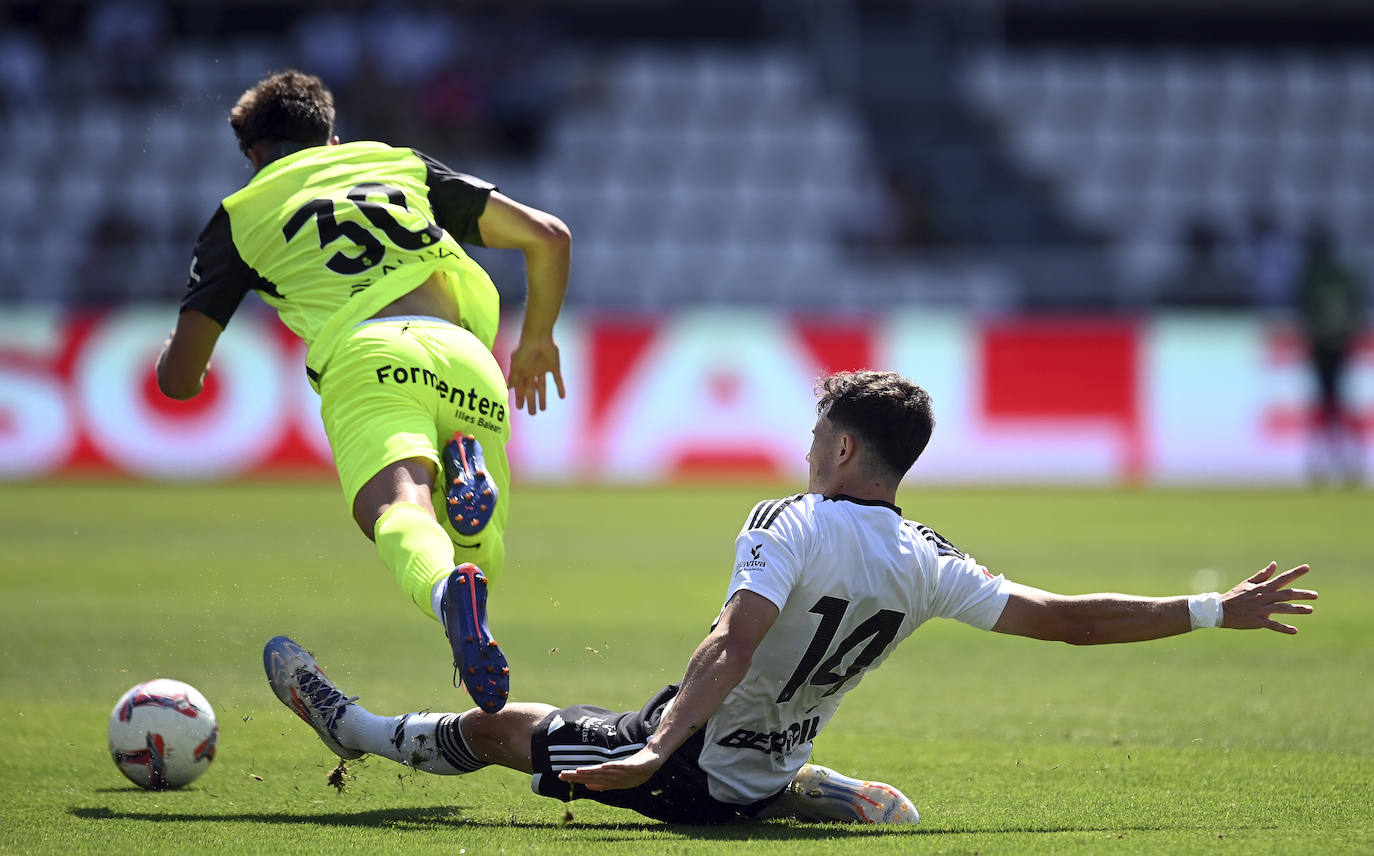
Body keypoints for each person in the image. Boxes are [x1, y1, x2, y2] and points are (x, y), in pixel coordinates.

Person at [262, 370, 1317, 825]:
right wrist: (1214, 609)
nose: (806, 447)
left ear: (844, 446)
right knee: (733, 735)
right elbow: (1063, 616)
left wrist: (656, 749)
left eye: (818, 434)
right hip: (752, 751)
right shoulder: (927, 556)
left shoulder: (789, 521)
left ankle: (361, 730)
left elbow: (733, 640)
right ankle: (803, 784)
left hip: (700, 769)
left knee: (504, 727)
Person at [158, 70, 571, 713]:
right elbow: (548, 235)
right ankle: (465, 483)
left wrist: (174, 363)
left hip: (370, 352)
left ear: (254, 155)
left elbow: (180, 380)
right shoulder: (396, 165)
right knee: (479, 556)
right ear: (332, 137)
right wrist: (538, 339)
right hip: (467, 355)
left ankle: (443, 585)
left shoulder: (241, 215)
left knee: (395, 510)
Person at [1297, 222, 1366, 485]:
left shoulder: (1313, 275)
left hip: (1327, 347)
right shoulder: (1340, 275)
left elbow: (1304, 313)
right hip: (1335, 346)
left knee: (1328, 405)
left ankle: (1331, 464)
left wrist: (1322, 336)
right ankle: (1342, 463)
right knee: (1335, 405)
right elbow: (1354, 312)